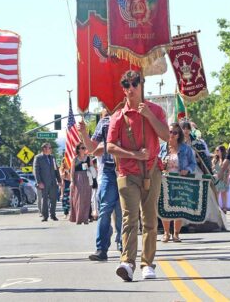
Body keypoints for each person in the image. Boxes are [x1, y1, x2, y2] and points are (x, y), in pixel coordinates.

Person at [107, 70, 168, 282]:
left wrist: (149, 116)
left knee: (150, 219)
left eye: (134, 84)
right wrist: (133, 154)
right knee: (129, 219)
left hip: (152, 171)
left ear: (141, 85)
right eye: (126, 85)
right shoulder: (117, 117)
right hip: (127, 173)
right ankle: (127, 262)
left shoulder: (156, 111)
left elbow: (166, 136)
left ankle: (148, 263)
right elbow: (110, 147)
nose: (130, 88)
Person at [78, 109, 123, 262]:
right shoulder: (105, 122)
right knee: (105, 211)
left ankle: (124, 245)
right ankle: (101, 248)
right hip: (109, 170)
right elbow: (92, 148)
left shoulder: (130, 115)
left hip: (127, 168)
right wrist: (84, 133)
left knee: (123, 211)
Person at [158, 122, 196, 243]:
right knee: (165, 206)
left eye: (175, 132)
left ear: (179, 134)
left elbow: (193, 163)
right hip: (165, 179)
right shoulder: (162, 148)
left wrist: (187, 170)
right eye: (170, 132)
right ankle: (166, 232)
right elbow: (155, 162)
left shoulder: (185, 148)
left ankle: (176, 233)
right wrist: (161, 165)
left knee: (179, 206)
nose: (172, 135)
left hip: (180, 179)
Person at [33, 143, 59, 222]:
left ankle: (53, 215)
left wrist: (59, 180)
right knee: (44, 200)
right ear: (44, 149)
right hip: (43, 183)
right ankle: (45, 216)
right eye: (49, 148)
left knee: (53, 199)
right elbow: (36, 171)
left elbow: (56, 169)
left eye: (50, 148)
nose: (51, 149)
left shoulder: (52, 157)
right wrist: (39, 182)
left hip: (53, 182)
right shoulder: (38, 158)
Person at [70, 143, 93, 224]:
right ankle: (78, 218)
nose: (84, 149)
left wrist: (93, 179)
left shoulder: (88, 158)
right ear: (78, 149)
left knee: (87, 198)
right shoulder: (75, 159)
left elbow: (92, 169)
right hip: (78, 179)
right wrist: (72, 181)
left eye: (84, 148)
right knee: (79, 199)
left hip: (87, 178)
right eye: (82, 148)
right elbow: (72, 171)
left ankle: (85, 218)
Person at [212, 145, 230, 213]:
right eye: (216, 150)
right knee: (216, 193)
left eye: (218, 150)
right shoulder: (214, 160)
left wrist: (227, 179)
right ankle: (217, 207)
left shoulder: (226, 160)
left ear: (222, 151)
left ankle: (224, 207)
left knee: (224, 193)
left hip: (224, 178)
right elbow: (212, 169)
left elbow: (229, 170)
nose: (216, 152)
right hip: (216, 178)